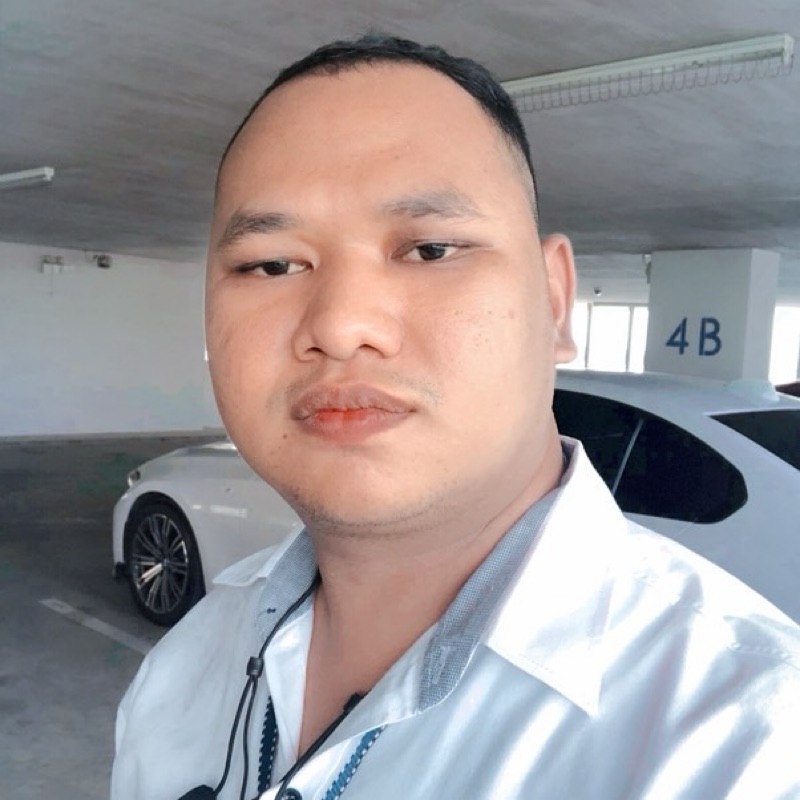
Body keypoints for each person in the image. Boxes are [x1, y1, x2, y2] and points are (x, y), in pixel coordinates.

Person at [112, 35, 800, 800]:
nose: (339, 325)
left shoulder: (751, 746)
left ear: (554, 301)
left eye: (431, 249)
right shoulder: (183, 669)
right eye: (271, 264)